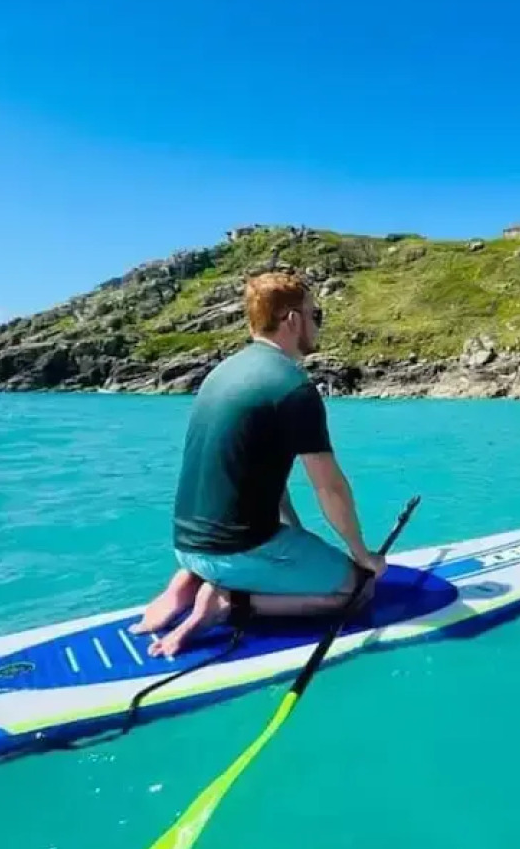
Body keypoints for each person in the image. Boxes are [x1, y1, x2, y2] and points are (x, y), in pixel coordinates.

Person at [133, 271, 385, 659]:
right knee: (356, 591)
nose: (317, 324)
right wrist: (362, 555)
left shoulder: (221, 374)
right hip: (234, 552)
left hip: (186, 546)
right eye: (315, 314)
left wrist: (295, 531)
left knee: (257, 544)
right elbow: (329, 487)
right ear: (293, 320)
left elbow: (257, 465)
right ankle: (229, 603)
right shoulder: (293, 388)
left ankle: (185, 584)